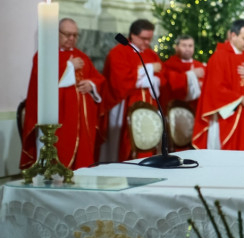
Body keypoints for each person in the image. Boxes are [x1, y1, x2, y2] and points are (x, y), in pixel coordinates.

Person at [20, 18, 104, 170]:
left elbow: (98, 79)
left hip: (81, 122)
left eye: (75, 35)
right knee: (56, 162)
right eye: (67, 34)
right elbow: (43, 84)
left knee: (82, 165)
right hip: (58, 119)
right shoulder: (45, 54)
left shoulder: (82, 56)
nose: (71, 38)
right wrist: (69, 67)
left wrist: (91, 85)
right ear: (56, 33)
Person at [192, 19, 244, 150]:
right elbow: (215, 90)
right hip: (228, 118)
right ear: (233, 36)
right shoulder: (219, 57)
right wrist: (241, 99)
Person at [102, 18, 165, 161]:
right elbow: (119, 80)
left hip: (149, 104)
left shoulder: (151, 54)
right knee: (127, 143)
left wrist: (147, 76)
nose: (147, 43)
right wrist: (149, 69)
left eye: (150, 39)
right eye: (144, 39)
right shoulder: (118, 52)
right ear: (132, 35)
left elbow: (162, 76)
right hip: (125, 104)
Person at [161, 34, 205, 113]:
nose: (187, 49)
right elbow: (173, 84)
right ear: (176, 47)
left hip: (197, 109)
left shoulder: (200, 66)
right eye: (184, 46)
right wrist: (191, 74)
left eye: (190, 46)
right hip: (176, 109)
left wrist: (202, 85)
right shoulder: (169, 65)